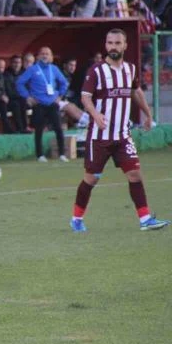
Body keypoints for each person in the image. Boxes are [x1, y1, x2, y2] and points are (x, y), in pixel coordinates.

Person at [70, 29, 169, 233]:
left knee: (135, 174)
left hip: (123, 136)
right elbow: (85, 97)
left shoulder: (130, 69)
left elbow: (136, 91)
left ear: (125, 46)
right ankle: (76, 218)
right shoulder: (96, 71)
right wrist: (95, 115)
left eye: (117, 43)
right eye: (109, 43)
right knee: (92, 178)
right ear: (106, 45)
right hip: (99, 137)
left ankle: (145, 219)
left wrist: (148, 114)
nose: (113, 47)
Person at [16, 46, 69, 162]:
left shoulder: (54, 69)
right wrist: (27, 97)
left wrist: (60, 96)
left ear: (51, 56)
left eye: (47, 54)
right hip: (39, 103)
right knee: (39, 130)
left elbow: (64, 83)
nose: (45, 56)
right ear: (38, 56)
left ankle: (62, 154)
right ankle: (40, 155)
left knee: (58, 128)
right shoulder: (33, 69)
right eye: (42, 54)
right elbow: (19, 83)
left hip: (52, 103)